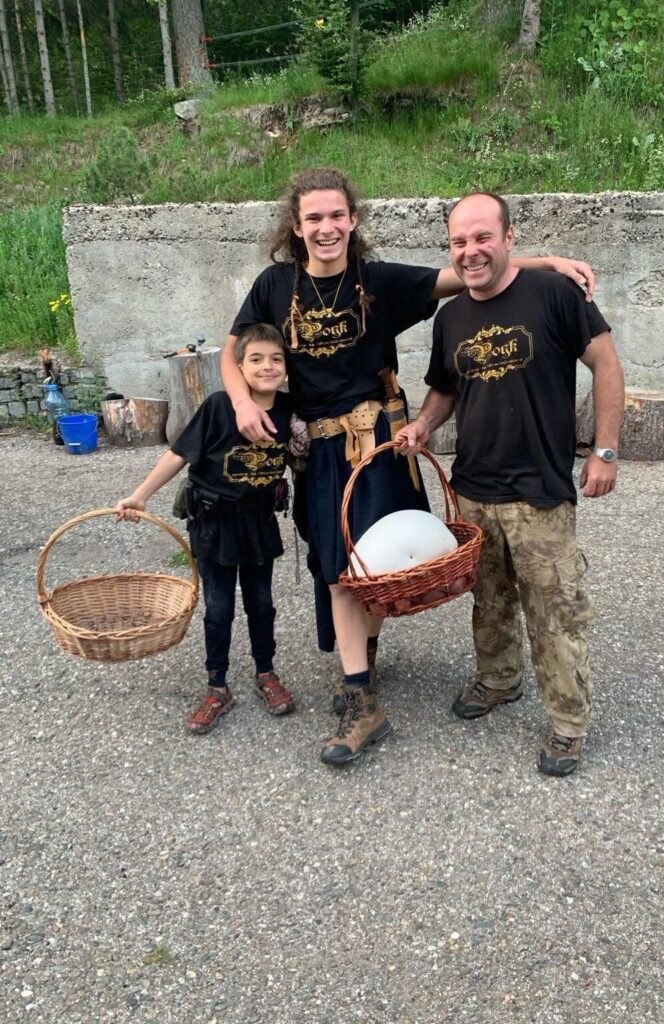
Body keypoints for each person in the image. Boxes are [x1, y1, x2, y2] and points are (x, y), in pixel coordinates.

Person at [220, 167, 597, 767]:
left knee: (374, 565)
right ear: (296, 225)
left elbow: (469, 269)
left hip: (378, 446)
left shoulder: (378, 282)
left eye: (336, 215)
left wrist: (547, 261)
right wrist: (243, 401)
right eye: (313, 217)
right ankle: (360, 684)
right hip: (320, 452)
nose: (325, 227)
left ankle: (359, 679)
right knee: (340, 569)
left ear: (353, 219)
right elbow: (233, 349)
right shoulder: (274, 285)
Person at [396, 191, 625, 777]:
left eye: (482, 237)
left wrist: (604, 451)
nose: (470, 251)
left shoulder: (554, 294)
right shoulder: (451, 318)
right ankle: (499, 679)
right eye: (459, 242)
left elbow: (606, 363)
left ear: (509, 237)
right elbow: (446, 388)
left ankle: (568, 723)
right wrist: (423, 425)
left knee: (554, 610)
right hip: (475, 489)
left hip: (540, 491)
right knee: (489, 598)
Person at [117, 324, 304, 734]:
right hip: (214, 525)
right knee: (218, 610)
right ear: (240, 367)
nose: (268, 367)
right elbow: (179, 454)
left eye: (276, 359)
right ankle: (217, 686)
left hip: (258, 524)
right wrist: (140, 495)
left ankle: (266, 673)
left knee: (262, 604)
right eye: (256, 359)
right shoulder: (220, 406)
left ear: (287, 367)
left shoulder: (292, 411)